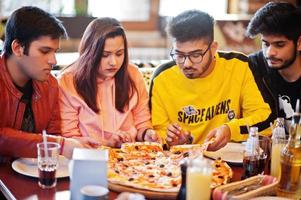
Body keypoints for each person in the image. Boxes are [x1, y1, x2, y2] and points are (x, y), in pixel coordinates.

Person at [150, 10, 271, 150]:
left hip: (229, 159)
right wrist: (172, 141)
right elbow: (156, 133)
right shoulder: (161, 78)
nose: (187, 64)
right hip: (179, 163)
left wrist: (231, 130)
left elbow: (264, 120)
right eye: (179, 55)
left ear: (213, 48)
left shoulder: (239, 66)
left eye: (196, 55)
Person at [0, 6, 98, 159]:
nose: (53, 60)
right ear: (18, 48)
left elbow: (54, 136)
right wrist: (61, 144)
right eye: (44, 51)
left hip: (33, 174)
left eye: (55, 52)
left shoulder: (50, 85)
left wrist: (71, 143)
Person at [59, 17, 161, 147]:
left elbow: (142, 123)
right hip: (90, 157)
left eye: (119, 54)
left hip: (131, 158)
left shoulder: (133, 74)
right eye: (105, 55)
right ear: (90, 53)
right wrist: (107, 143)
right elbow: (70, 138)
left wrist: (148, 134)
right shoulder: (68, 81)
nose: (113, 62)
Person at [246, 2, 301, 127]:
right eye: (265, 44)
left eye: (279, 45)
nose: (270, 53)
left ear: (299, 43)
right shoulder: (252, 67)